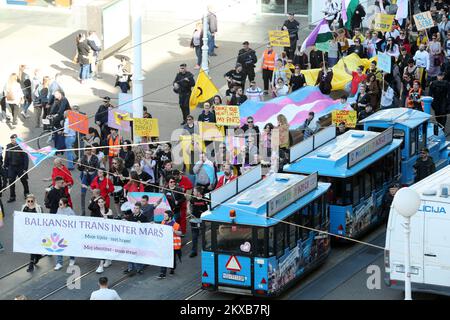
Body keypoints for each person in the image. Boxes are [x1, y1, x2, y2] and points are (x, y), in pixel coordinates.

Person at [123, 203, 147, 276]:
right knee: (130, 253)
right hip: (131, 239)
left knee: (138, 253)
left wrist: (142, 224)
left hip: (139, 240)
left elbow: (147, 227)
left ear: (140, 209)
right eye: (134, 208)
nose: (135, 210)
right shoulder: (131, 216)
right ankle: (130, 267)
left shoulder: (143, 217)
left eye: (136, 208)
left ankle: (139, 268)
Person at [4, 134, 29, 203]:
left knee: (24, 181)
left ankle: (26, 193)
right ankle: (12, 196)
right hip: (11, 167)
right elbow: (6, 156)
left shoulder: (22, 146)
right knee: (11, 182)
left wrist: (25, 168)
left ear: (17, 140)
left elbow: (25, 158)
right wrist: (5, 165)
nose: (12, 141)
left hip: (20, 167)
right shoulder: (8, 146)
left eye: (14, 140)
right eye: (11, 140)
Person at [91, 197, 113, 273]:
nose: (100, 203)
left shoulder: (109, 210)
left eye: (101, 202)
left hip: (106, 233)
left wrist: (107, 217)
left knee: (103, 248)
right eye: (99, 202)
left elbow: (112, 222)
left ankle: (101, 265)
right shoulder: (95, 211)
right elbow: (90, 207)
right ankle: (108, 259)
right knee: (102, 248)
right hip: (98, 233)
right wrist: (95, 200)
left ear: (104, 202)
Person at [22, 194, 43, 272]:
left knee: (32, 245)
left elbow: (42, 218)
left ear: (34, 201)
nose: (30, 203)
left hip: (36, 231)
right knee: (31, 245)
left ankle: (31, 264)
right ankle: (37, 255)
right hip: (28, 231)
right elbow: (21, 217)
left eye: (32, 201)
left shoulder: (38, 208)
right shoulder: (24, 208)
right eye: (28, 201)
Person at [158, 210, 182, 279]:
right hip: (165, 245)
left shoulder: (176, 225)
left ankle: (172, 268)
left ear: (170, 217)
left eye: (165, 216)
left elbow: (180, 233)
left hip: (173, 246)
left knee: (172, 260)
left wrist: (174, 231)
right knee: (163, 259)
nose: (164, 217)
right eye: (164, 215)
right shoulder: (163, 222)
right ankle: (163, 273)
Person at [54, 197, 76, 270]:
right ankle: (59, 263)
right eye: (59, 204)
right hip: (60, 231)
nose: (59, 205)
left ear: (65, 204)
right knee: (59, 246)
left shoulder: (69, 210)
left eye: (61, 204)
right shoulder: (58, 209)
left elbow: (74, 219)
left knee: (69, 245)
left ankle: (72, 259)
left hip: (68, 232)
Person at [78, 148, 99, 215]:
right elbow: (80, 169)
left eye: (88, 150)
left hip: (93, 176)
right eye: (86, 150)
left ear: (91, 150)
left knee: (95, 193)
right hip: (85, 175)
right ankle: (83, 210)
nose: (87, 151)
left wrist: (93, 173)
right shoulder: (83, 157)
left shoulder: (95, 157)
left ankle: (95, 209)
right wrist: (79, 164)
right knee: (82, 193)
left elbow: (97, 168)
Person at [188, 186, 208, 258]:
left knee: (204, 235)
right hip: (195, 219)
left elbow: (210, 208)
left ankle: (206, 249)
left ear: (198, 193)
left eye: (194, 191)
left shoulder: (205, 200)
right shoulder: (193, 199)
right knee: (194, 236)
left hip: (203, 220)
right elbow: (189, 204)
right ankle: (194, 251)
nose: (193, 192)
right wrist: (189, 211)